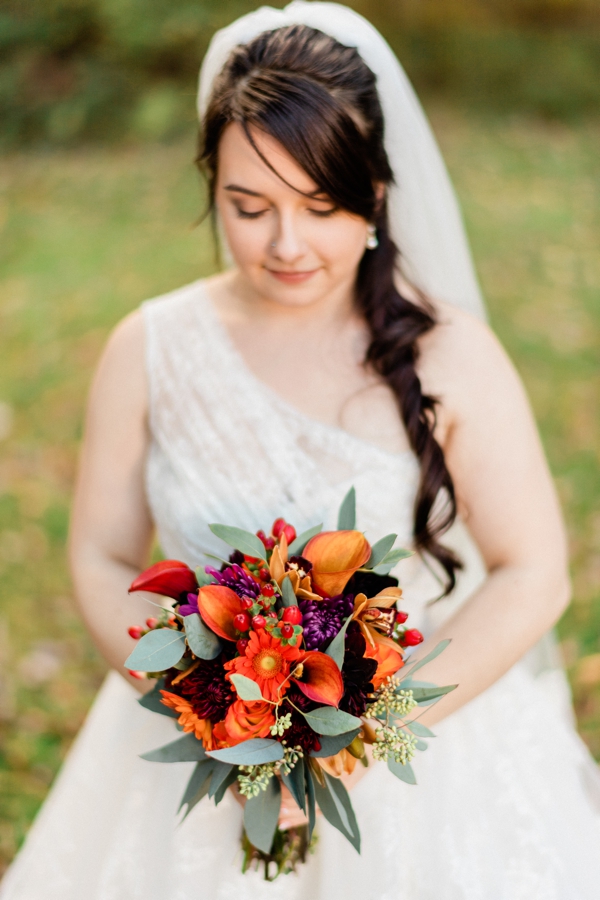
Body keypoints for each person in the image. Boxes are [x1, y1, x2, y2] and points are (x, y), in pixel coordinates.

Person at [2, 2, 599, 897]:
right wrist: (207, 709)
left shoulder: (449, 355)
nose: (286, 245)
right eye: (250, 206)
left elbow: (534, 570)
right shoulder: (150, 347)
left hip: (423, 748)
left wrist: (367, 729)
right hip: (199, 740)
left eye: (321, 207)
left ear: (376, 198)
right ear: (212, 187)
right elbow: (98, 552)